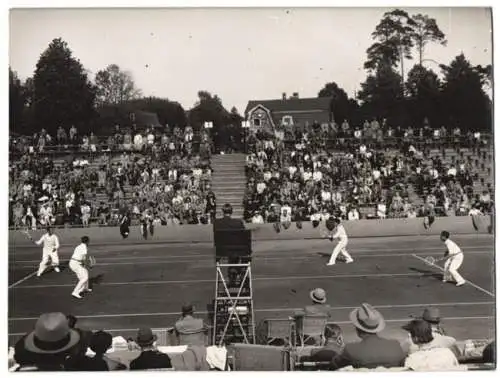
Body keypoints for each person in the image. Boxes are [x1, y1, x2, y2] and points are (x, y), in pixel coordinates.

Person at [330, 303, 406, 370]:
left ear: (357, 328)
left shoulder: (351, 350)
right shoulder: (395, 346)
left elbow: (334, 365)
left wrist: (339, 348)